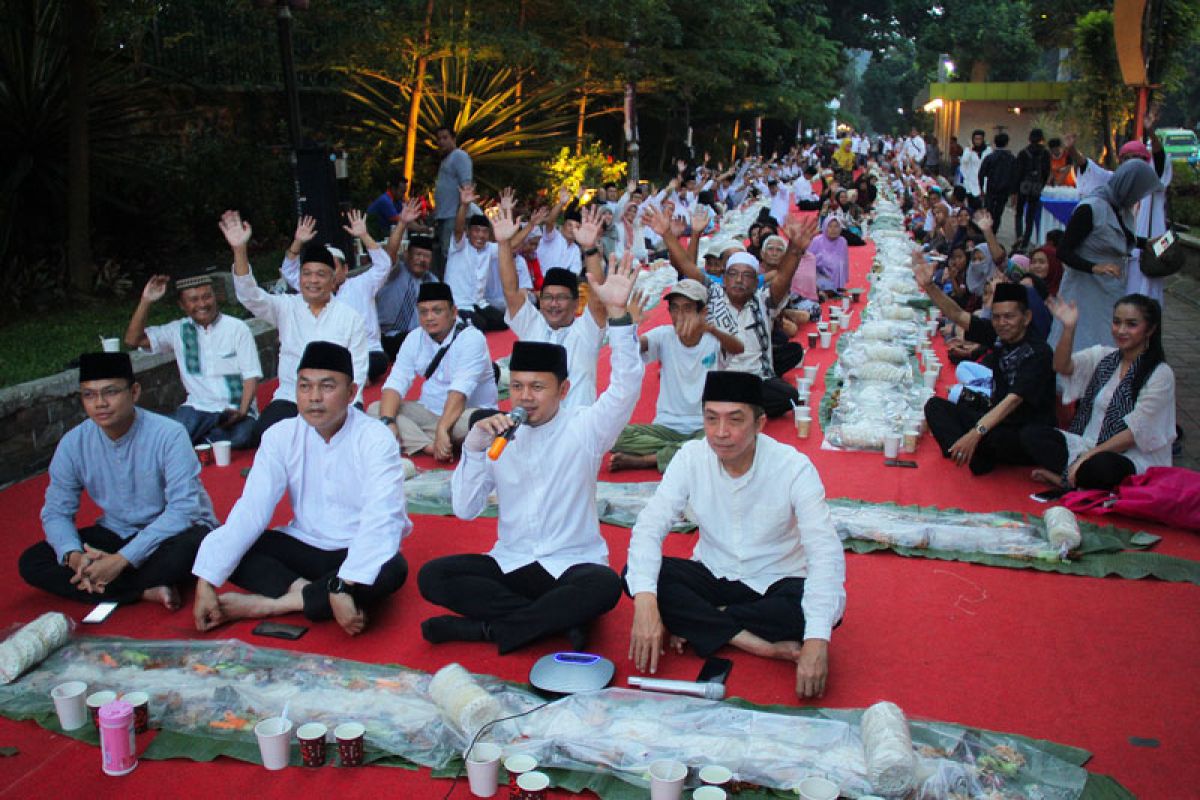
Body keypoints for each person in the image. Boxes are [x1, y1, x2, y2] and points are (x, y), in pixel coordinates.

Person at [416, 259, 643, 653]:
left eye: (538, 387)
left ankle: (487, 630)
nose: (525, 397)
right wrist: (471, 449)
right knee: (433, 577)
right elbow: (465, 510)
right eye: (518, 386)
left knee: (604, 586)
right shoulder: (497, 435)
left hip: (571, 564)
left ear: (563, 389)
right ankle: (551, 622)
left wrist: (619, 315)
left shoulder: (585, 427)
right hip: (512, 562)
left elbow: (626, 386)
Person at [625, 371, 845, 699]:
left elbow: (824, 551)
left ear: (760, 424)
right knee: (636, 576)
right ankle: (751, 641)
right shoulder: (690, 457)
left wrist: (815, 642)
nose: (721, 433)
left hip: (776, 581)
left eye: (735, 420)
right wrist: (644, 604)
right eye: (711, 419)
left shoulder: (794, 467)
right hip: (714, 574)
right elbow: (649, 526)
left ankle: (704, 622)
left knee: (819, 611)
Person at [192, 342, 411, 636]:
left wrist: (343, 582)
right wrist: (205, 582)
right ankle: (309, 596)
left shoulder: (375, 438)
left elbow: (382, 519)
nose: (314, 398)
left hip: (356, 548)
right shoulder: (280, 436)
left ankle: (269, 605)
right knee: (238, 546)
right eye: (305, 387)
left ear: (351, 392)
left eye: (327, 387)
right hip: (305, 544)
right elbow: (251, 509)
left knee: (391, 568)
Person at [19, 352, 215, 609]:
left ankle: (114, 583)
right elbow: (56, 512)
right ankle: (143, 590)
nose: (100, 403)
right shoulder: (73, 443)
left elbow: (183, 511)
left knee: (194, 548)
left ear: (134, 392)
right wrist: (76, 559)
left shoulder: (169, 434)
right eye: (89, 395)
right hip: (116, 531)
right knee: (33, 561)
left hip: (170, 533)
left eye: (110, 392)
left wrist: (121, 560)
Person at [648, 208, 818, 418]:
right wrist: (667, 234)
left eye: (746, 276)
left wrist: (795, 249)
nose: (739, 280)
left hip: (755, 378)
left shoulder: (764, 299)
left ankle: (735, 408)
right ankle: (741, 409)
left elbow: (783, 279)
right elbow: (686, 267)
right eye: (733, 274)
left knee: (788, 393)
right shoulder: (712, 292)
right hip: (719, 377)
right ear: (724, 278)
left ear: (756, 282)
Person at [220, 210, 369, 443]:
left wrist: (352, 407)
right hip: (291, 396)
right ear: (299, 279)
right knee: (265, 434)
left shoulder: (350, 317)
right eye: (307, 274)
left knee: (343, 438)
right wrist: (239, 250)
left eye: (321, 275)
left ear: (333, 281)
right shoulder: (285, 307)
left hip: (333, 398)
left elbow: (359, 367)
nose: (312, 280)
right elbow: (249, 296)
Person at [1021, 295, 1175, 491]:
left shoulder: (1160, 374)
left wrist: (1089, 456)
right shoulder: (1104, 356)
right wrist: (1069, 328)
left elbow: (1134, 434)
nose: (1121, 330)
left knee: (1102, 467)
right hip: (1087, 445)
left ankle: (1069, 478)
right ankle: (1076, 477)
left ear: (1150, 329)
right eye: (1117, 322)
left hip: (1129, 456)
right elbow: (1061, 365)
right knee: (1031, 435)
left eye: (1131, 324)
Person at [916, 264, 1055, 475]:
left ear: (1026, 318)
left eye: (1009, 317)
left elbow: (1013, 400)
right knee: (935, 406)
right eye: (997, 317)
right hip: (994, 417)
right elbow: (958, 314)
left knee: (997, 437)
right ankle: (965, 450)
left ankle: (975, 449)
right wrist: (929, 286)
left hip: (1022, 428)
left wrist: (976, 432)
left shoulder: (1039, 352)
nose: (1002, 323)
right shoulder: (998, 334)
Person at [609, 279, 743, 472]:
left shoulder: (713, 340)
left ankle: (649, 460)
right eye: (675, 309)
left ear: (703, 313)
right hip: (666, 427)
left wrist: (710, 328)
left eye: (688, 308)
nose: (680, 315)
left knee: (724, 441)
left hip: (703, 427)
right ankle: (681, 454)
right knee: (614, 435)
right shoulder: (664, 336)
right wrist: (629, 326)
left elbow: (738, 348)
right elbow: (633, 347)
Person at [124, 271, 261, 449]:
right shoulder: (177, 330)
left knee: (245, 434)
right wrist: (146, 300)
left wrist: (243, 410)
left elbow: (252, 375)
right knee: (174, 431)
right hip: (197, 408)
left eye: (207, 297)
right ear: (182, 305)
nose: (202, 304)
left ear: (215, 297)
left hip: (233, 410)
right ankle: (204, 440)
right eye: (194, 300)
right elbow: (132, 340)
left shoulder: (237, 328)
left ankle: (193, 441)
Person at [492, 204, 608, 410]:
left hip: (576, 426)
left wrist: (590, 249)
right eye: (548, 297)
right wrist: (502, 243)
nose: (553, 304)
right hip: (534, 424)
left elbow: (598, 300)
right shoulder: (532, 324)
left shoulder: (586, 330)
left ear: (576, 303)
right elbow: (511, 291)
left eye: (561, 298)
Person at [1049, 159, 1161, 354]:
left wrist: (1146, 243)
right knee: (1082, 337)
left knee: (1106, 337)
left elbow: (1122, 237)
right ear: (1127, 186)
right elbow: (1063, 251)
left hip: (1109, 287)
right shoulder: (1090, 208)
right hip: (1084, 288)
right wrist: (1094, 267)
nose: (1138, 198)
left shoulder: (1121, 208)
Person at [375, 282, 498, 460]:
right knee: (377, 409)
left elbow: (460, 392)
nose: (429, 317)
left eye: (437, 311)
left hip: (464, 417)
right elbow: (396, 382)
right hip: (429, 413)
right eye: (423, 312)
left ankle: (425, 438)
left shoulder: (471, 338)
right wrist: (388, 421)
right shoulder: (414, 338)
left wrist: (443, 428)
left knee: (485, 424)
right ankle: (429, 446)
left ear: (453, 312)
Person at [282, 210, 394, 382]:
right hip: (329, 353)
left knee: (378, 361)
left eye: (333, 267)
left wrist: (364, 235)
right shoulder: (313, 286)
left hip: (365, 351)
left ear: (346, 269)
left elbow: (384, 265)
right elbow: (289, 271)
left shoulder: (361, 284)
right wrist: (297, 242)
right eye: (322, 270)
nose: (329, 274)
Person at [444, 184, 508, 331]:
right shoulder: (459, 245)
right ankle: (457, 321)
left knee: (503, 323)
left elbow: (511, 246)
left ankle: (469, 321)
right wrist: (464, 205)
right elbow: (458, 228)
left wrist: (530, 224)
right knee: (480, 326)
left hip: (479, 303)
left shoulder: (489, 248)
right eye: (476, 231)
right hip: (458, 304)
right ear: (469, 232)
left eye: (485, 232)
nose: (480, 235)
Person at [376, 232, 440, 360]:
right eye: (417, 254)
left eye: (426, 256)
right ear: (406, 254)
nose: (421, 259)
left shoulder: (432, 280)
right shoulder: (395, 272)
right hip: (391, 336)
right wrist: (402, 223)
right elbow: (388, 255)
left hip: (421, 334)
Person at [434, 125, 473, 276]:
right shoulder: (445, 160)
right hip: (444, 215)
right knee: (445, 253)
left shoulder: (459, 156)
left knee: (452, 253)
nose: (441, 142)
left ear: (453, 139)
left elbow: (466, 186)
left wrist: (461, 213)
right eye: (439, 139)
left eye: (445, 138)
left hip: (454, 216)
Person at [1013, 129, 1052, 250]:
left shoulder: (1023, 152)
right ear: (1042, 138)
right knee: (1030, 215)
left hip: (1023, 186)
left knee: (1019, 212)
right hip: (1036, 187)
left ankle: (1019, 236)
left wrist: (1014, 191)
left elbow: (1017, 173)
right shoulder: (1045, 153)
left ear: (1029, 138)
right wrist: (1042, 184)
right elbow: (1046, 172)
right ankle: (1025, 242)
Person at [978, 133, 1017, 232]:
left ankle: (987, 231)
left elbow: (981, 173)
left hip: (991, 188)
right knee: (999, 212)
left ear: (995, 143)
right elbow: (1015, 176)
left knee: (989, 211)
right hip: (1005, 190)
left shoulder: (990, 157)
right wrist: (1013, 192)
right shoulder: (1012, 158)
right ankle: (994, 231)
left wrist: (981, 188)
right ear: (1007, 143)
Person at [809, 216, 850, 295]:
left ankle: (837, 287)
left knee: (839, 263)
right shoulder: (817, 241)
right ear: (825, 227)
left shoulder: (842, 241)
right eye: (830, 226)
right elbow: (807, 261)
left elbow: (845, 262)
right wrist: (821, 260)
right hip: (819, 275)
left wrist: (844, 280)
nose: (833, 230)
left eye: (836, 226)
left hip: (836, 278)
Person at [366, 171, 406, 238]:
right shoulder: (385, 201)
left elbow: (405, 218)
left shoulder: (397, 201)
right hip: (375, 237)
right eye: (402, 192)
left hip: (382, 234)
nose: (403, 195)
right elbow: (402, 221)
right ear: (393, 189)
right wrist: (421, 229)